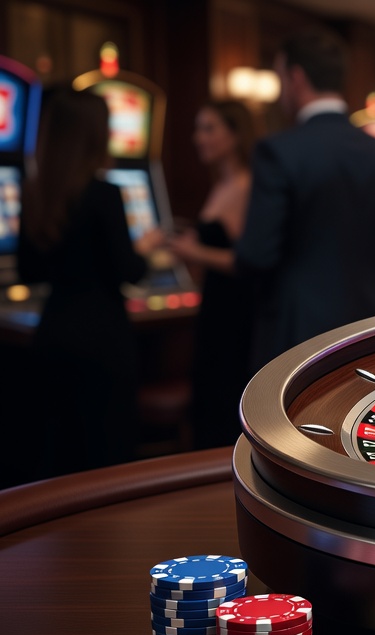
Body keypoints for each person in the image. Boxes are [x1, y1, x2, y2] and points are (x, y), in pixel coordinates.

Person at [235, 28, 375, 371]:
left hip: (296, 332)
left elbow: (256, 255)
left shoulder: (278, 151)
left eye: (279, 77)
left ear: (296, 77)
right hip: (368, 326)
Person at [17, 89, 160, 475]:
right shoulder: (105, 193)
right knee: (106, 458)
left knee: (60, 456)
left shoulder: (33, 192)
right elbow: (129, 271)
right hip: (102, 338)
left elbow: (28, 272)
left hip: (52, 333)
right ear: (94, 134)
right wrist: (145, 247)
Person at [165, 100, 257, 449]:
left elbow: (245, 261)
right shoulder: (222, 185)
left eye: (208, 128)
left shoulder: (247, 186)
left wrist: (193, 250)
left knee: (222, 406)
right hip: (214, 308)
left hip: (234, 314)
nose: (197, 137)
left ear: (234, 135)